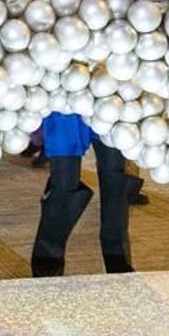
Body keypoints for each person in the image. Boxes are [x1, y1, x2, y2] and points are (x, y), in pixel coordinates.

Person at [30, 112, 138, 276]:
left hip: (107, 99)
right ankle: (47, 266)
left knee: (114, 180)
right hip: (64, 106)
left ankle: (118, 264)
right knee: (64, 186)